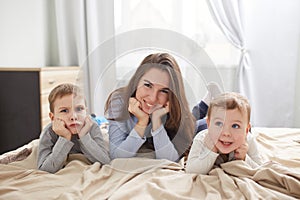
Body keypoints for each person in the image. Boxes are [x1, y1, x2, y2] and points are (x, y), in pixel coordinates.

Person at [104, 53, 195, 162]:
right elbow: (116, 156)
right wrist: (142, 122)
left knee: (200, 124)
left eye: (164, 91)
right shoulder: (119, 101)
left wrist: (157, 121)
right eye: (148, 85)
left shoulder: (172, 107)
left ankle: (205, 102)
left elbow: (171, 160)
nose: (153, 98)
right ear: (137, 81)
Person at [37, 83, 110, 173]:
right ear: (53, 117)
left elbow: (105, 161)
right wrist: (65, 137)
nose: (74, 116)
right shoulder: (49, 132)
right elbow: (44, 169)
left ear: (86, 112)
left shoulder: (92, 127)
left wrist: (83, 136)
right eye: (64, 110)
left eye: (79, 109)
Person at [186, 92, 264, 174]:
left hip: (216, 127)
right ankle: (205, 103)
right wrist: (210, 152)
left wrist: (244, 158)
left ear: (247, 130)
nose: (226, 133)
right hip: (200, 127)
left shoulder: (248, 140)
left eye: (235, 126)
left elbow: (260, 170)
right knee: (190, 123)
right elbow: (191, 171)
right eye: (219, 123)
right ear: (209, 124)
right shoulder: (201, 139)